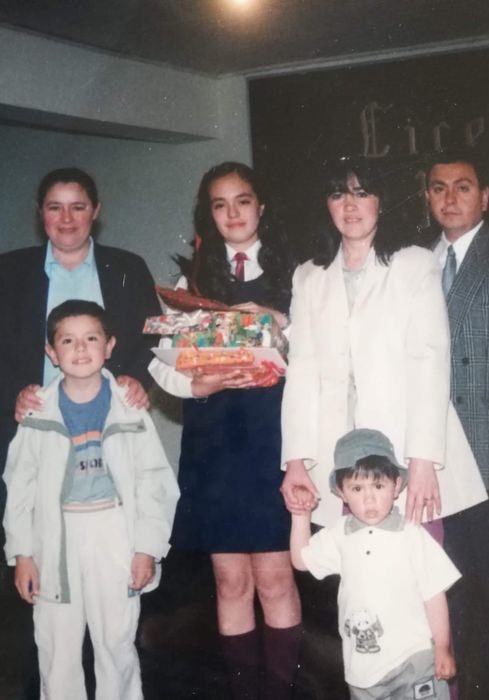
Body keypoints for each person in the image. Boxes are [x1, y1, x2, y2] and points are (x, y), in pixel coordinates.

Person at [149, 162, 301, 700]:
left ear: (261, 207)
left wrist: (278, 322)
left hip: (272, 441)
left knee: (276, 580)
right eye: (220, 204)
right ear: (208, 215)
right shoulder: (191, 281)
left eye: (243, 201)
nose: (233, 214)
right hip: (214, 444)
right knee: (230, 582)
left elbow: (323, 358)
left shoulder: (298, 275)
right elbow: (163, 365)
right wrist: (200, 385)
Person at [280, 158, 487, 529]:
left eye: (362, 193)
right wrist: (296, 461)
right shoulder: (308, 276)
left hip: (403, 451)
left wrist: (422, 460)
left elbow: (429, 366)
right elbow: (301, 375)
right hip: (335, 459)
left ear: (382, 201)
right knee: (348, 562)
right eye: (338, 194)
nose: (349, 205)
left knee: (415, 559)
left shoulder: (415, 265)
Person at [3, 300, 179, 700]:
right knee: (57, 648)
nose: (80, 349)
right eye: (68, 340)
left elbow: (153, 482)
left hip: (114, 533)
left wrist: (146, 549)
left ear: (109, 346)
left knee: (116, 642)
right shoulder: (37, 412)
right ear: (51, 352)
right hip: (56, 539)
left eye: (91, 339)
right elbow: (20, 487)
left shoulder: (129, 408)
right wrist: (23, 554)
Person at [426, 150, 489, 699]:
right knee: (449, 596)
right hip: (434, 461)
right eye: (438, 187)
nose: (450, 197)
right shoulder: (417, 263)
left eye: (462, 186)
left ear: (484, 197)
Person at [0, 167, 161, 488]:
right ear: (40, 212)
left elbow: (154, 336)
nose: (66, 219)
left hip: (110, 426)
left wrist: (137, 379)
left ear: (95, 210)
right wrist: (13, 393)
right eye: (54, 207)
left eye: (78, 207)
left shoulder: (128, 267)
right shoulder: (8, 271)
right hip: (32, 427)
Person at [291, 428, 460, 700]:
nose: (369, 499)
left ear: (396, 486)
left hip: (414, 660)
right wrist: (300, 516)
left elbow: (434, 594)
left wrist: (441, 646)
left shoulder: (411, 534)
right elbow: (301, 561)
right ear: (342, 492)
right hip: (363, 671)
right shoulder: (340, 534)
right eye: (357, 489)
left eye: (379, 486)